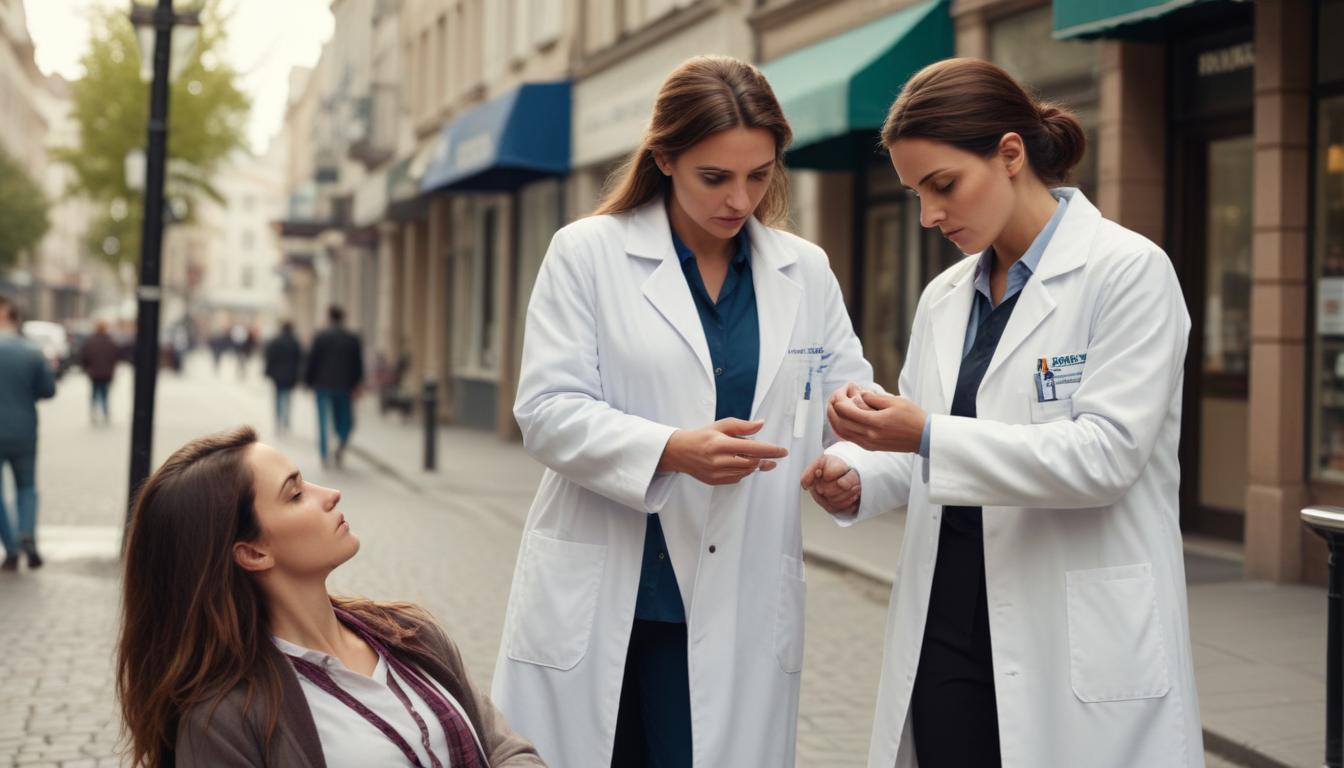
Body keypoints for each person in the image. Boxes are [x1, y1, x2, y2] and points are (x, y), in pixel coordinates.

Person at [801, 58, 1203, 767]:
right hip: (948, 626)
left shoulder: (1129, 273)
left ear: (1011, 154)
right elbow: (926, 449)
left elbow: (1104, 458)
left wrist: (921, 433)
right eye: (914, 193)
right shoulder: (945, 297)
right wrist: (859, 469)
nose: (928, 215)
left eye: (943, 185)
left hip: (1075, 631)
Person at [491, 55, 876, 768]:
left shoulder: (804, 271)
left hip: (740, 596)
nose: (740, 199)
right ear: (664, 158)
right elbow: (545, 409)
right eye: (715, 177)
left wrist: (853, 469)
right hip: (611, 587)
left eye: (759, 175)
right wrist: (670, 449)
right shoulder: (587, 254)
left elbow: (851, 405)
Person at [117, 426, 545, 768]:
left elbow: (506, 749)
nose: (330, 494)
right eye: (296, 493)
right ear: (253, 552)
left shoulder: (411, 634)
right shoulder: (225, 720)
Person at [0, 296, 56, 571]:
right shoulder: (32, 351)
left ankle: (10, 547)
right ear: (15, 318)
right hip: (24, 430)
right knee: (27, 487)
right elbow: (48, 390)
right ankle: (27, 536)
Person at [305, 305, 365, 468]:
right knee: (344, 420)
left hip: (322, 385)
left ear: (329, 317)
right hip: (344, 386)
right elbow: (358, 364)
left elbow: (312, 361)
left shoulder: (320, 336)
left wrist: (308, 381)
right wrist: (358, 383)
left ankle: (324, 455)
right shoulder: (352, 338)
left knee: (323, 420)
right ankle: (341, 441)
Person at [264, 321, 303, 434]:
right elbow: (300, 360)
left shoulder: (276, 341)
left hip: (277, 375)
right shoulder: (295, 342)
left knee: (278, 398)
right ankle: (286, 419)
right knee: (288, 398)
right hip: (291, 375)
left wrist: (268, 372)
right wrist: (299, 376)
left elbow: (270, 357)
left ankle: (279, 420)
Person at [80, 320, 120, 425]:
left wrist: (86, 368)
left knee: (94, 393)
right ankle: (105, 413)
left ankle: (94, 413)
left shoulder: (90, 342)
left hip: (94, 373)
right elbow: (116, 356)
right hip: (107, 373)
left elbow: (84, 356)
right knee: (105, 394)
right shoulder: (111, 342)